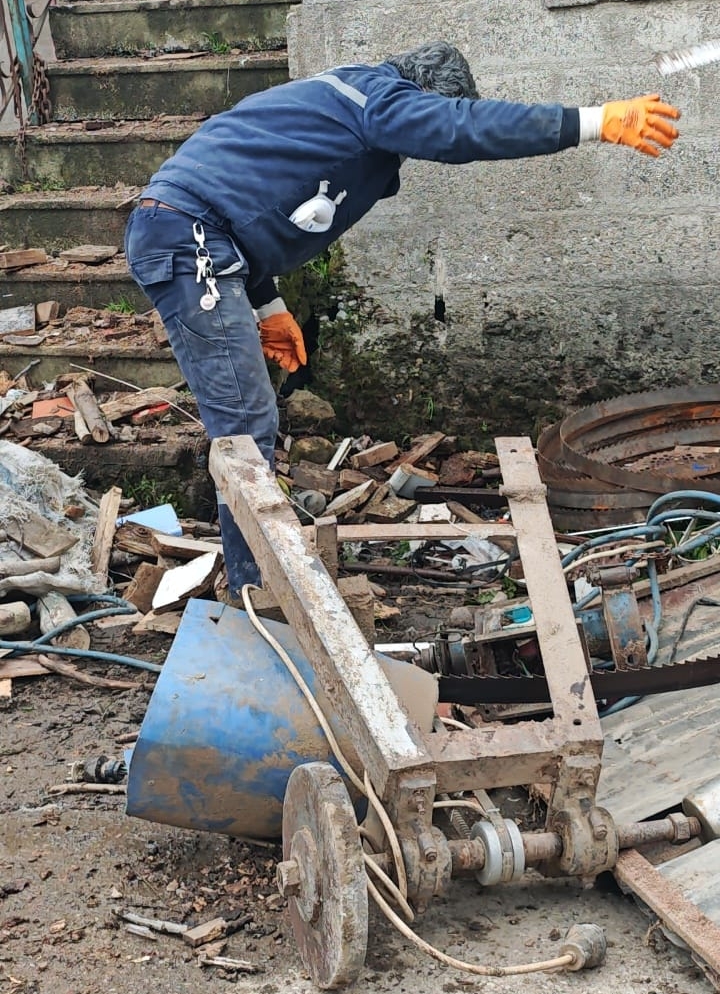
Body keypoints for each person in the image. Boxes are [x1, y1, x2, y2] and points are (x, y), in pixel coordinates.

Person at [124, 41, 681, 599]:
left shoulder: (338, 103)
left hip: (200, 239)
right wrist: (594, 121)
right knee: (245, 425)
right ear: (423, 97)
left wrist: (269, 307)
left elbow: (250, 206)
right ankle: (255, 593)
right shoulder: (378, 98)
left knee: (247, 422)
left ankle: (256, 579)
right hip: (189, 239)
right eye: (428, 120)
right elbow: (462, 130)